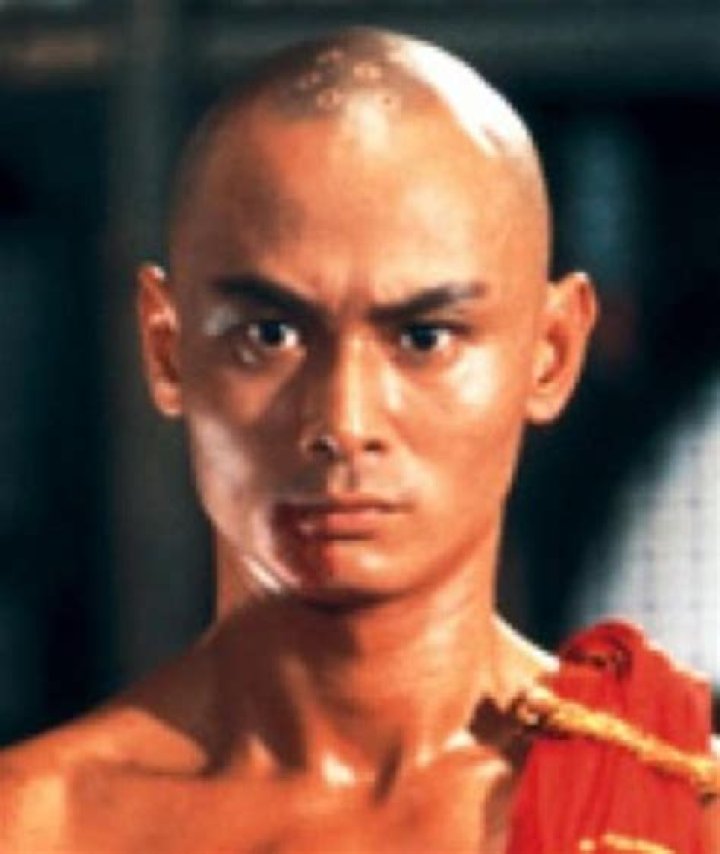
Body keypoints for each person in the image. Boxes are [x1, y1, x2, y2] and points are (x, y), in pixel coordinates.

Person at [0, 27, 717, 853]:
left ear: (551, 354)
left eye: (424, 339)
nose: (344, 423)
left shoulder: (679, 806)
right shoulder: (38, 826)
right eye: (270, 335)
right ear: (167, 349)